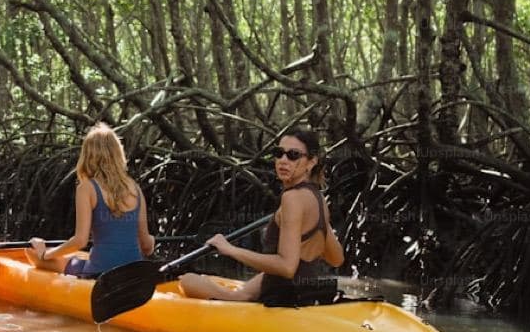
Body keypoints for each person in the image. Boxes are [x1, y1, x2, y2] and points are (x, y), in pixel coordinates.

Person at [179, 128, 344, 305]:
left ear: (311, 162)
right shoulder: (318, 198)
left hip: (284, 296)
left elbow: (287, 267)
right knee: (238, 292)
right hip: (305, 291)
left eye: (293, 155)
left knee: (187, 280)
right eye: (278, 153)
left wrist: (230, 249)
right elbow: (336, 258)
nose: (283, 160)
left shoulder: (292, 198)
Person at [26, 122, 156, 278]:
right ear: (117, 153)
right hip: (134, 276)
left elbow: (80, 241)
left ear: (88, 155)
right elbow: (146, 246)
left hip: (99, 274)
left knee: (31, 253)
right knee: (75, 259)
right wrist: (152, 241)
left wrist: (46, 254)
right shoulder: (136, 189)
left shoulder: (86, 188)